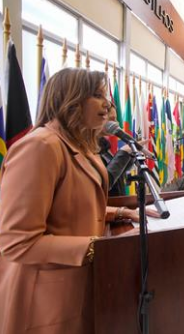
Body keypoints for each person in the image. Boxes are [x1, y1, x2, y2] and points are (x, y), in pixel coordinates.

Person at [0, 68, 114, 333]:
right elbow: (17, 241)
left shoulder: (78, 145)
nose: (107, 103)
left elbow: (71, 209)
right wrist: (98, 248)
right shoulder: (41, 146)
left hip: (74, 287)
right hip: (42, 297)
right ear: (70, 99)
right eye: (97, 95)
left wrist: (120, 212)